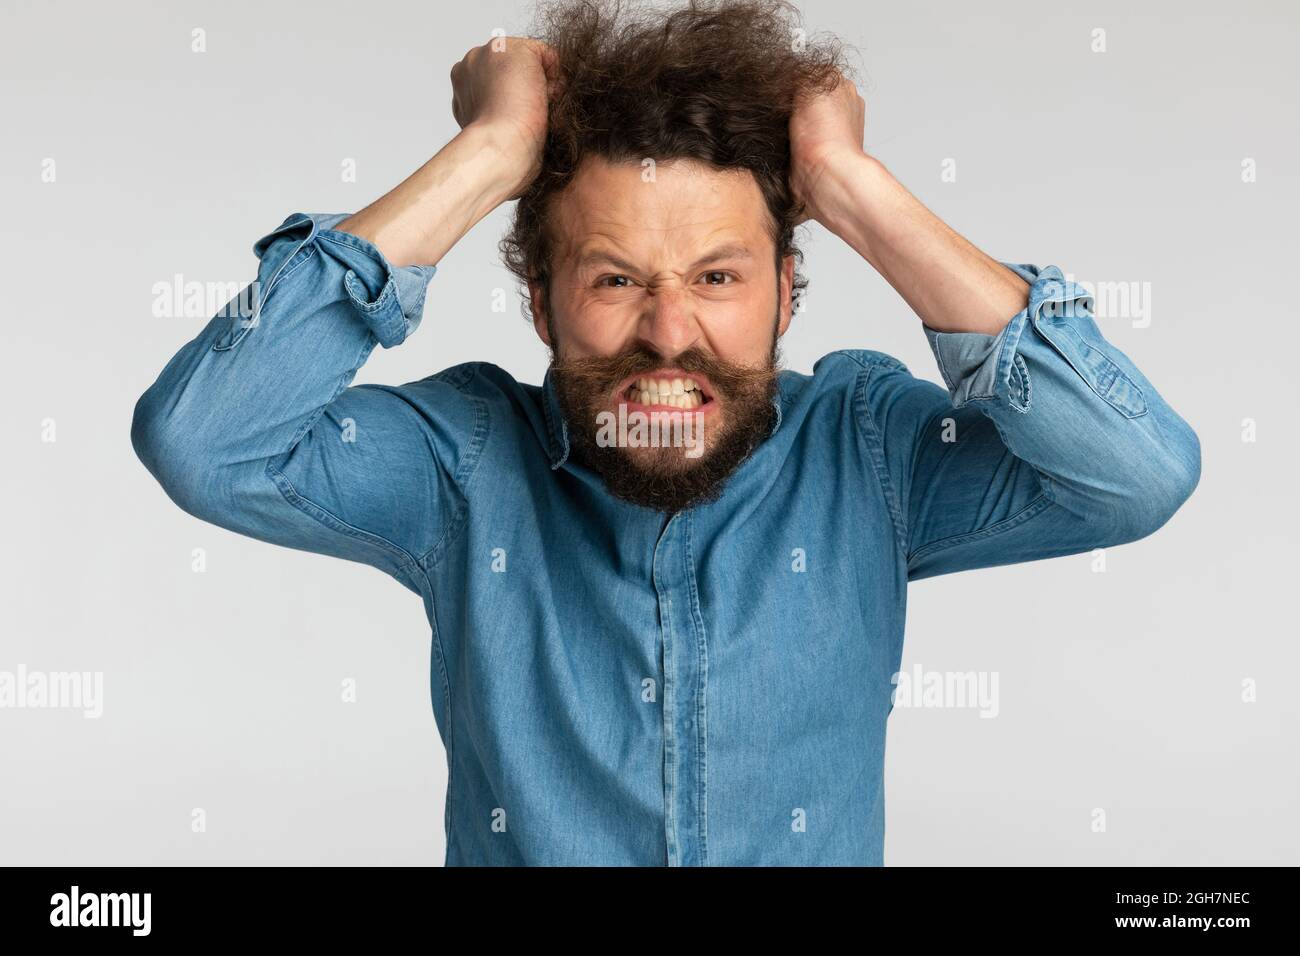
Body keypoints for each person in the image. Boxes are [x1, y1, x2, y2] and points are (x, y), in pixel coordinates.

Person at [131, 0, 1200, 865]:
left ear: (788, 295)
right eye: (613, 278)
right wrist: (492, 152)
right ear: (541, 304)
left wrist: (851, 188)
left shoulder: (867, 450)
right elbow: (204, 441)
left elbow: (1135, 472)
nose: (668, 331)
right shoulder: (462, 461)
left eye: (718, 276)